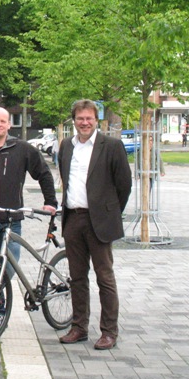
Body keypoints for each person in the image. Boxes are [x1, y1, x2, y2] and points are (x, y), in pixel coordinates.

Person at [57, 99, 132, 350]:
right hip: (73, 218)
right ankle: (79, 327)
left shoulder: (111, 146)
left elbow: (124, 185)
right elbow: (66, 179)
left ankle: (109, 331)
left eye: (89, 118)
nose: (85, 123)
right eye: (80, 118)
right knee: (77, 278)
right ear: (74, 121)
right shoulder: (67, 145)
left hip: (99, 221)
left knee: (104, 278)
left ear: (96, 120)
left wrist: (109, 212)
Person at [0, 107, 57, 273]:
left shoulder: (22, 148)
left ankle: (1, 290)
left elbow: (43, 173)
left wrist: (50, 201)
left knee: (8, 270)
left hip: (11, 221)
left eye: (3, 121)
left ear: (9, 124)